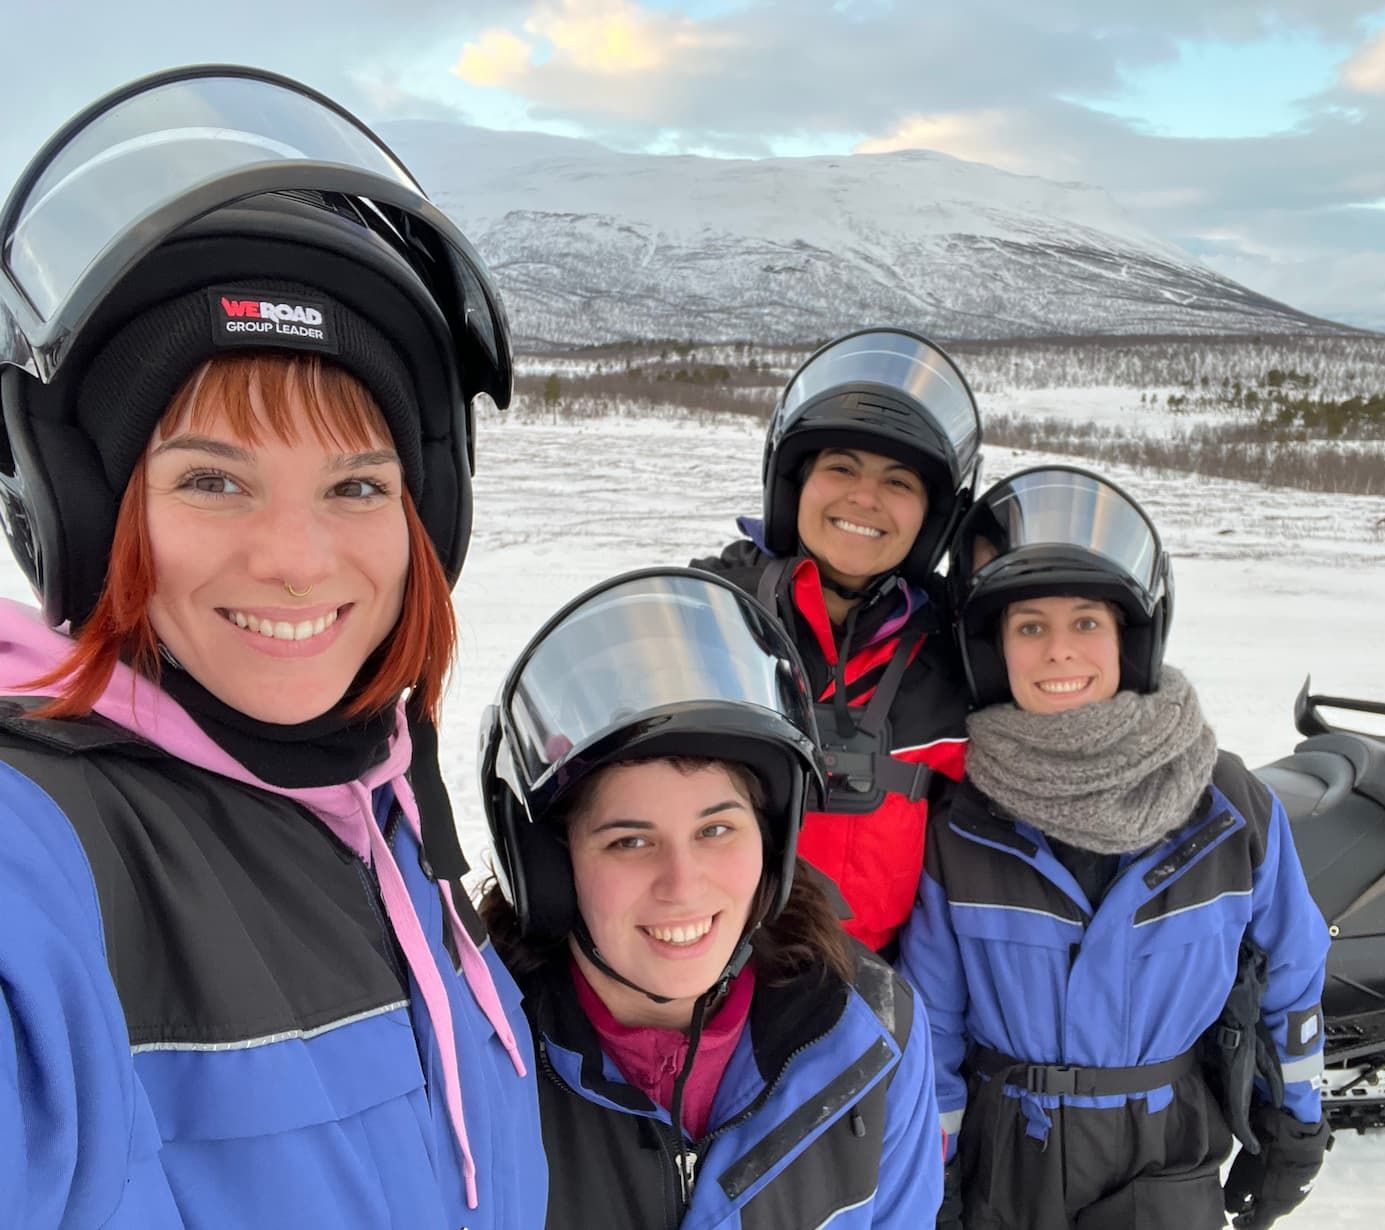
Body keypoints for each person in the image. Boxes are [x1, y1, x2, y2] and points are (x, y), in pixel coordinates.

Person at [0, 68, 546, 1227]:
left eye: (356, 483)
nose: (295, 558)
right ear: (88, 513)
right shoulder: (43, 851)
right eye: (211, 479)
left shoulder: (384, 799)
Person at [896, 465, 1331, 1230]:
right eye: (1030, 627)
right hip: (1008, 1161)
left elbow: (1291, 980)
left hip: (1167, 1154)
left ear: (1131, 637)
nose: (1059, 651)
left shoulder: (1228, 808)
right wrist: (936, 1176)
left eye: (1086, 622)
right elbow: (933, 1024)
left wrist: (1293, 1125)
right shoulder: (964, 822)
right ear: (995, 650)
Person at [478, 567, 943, 1227]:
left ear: (771, 840)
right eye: (629, 842)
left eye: (717, 829)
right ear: (553, 867)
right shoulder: (473, 1060)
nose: (684, 884)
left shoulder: (869, 1033)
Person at [692, 328, 981, 953]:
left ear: (931, 519)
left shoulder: (955, 658)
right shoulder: (709, 616)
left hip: (883, 997)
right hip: (704, 978)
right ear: (794, 486)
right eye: (841, 468)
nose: (864, 497)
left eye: (899, 482)